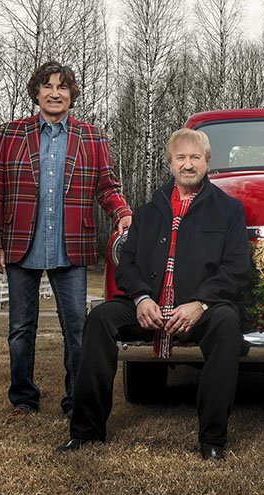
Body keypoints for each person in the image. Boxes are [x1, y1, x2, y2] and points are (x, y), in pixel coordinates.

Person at [57, 128, 251, 459]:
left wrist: (200, 304)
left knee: (226, 321)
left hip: (198, 309)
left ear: (207, 162)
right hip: (148, 305)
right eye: (181, 158)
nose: (188, 165)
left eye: (195, 158)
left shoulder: (229, 210)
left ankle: (212, 440)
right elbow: (127, 263)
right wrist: (141, 298)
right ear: (170, 163)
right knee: (100, 319)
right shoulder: (148, 212)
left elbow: (237, 268)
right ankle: (86, 430)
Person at [0, 61, 131, 419]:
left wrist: (122, 212)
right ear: (36, 92)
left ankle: (74, 399)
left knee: (77, 329)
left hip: (71, 247)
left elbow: (107, 187)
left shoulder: (91, 137)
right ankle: (23, 398)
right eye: (47, 86)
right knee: (20, 330)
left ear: (71, 95)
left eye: (62, 87)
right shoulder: (10, 134)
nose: (54, 93)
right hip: (20, 245)